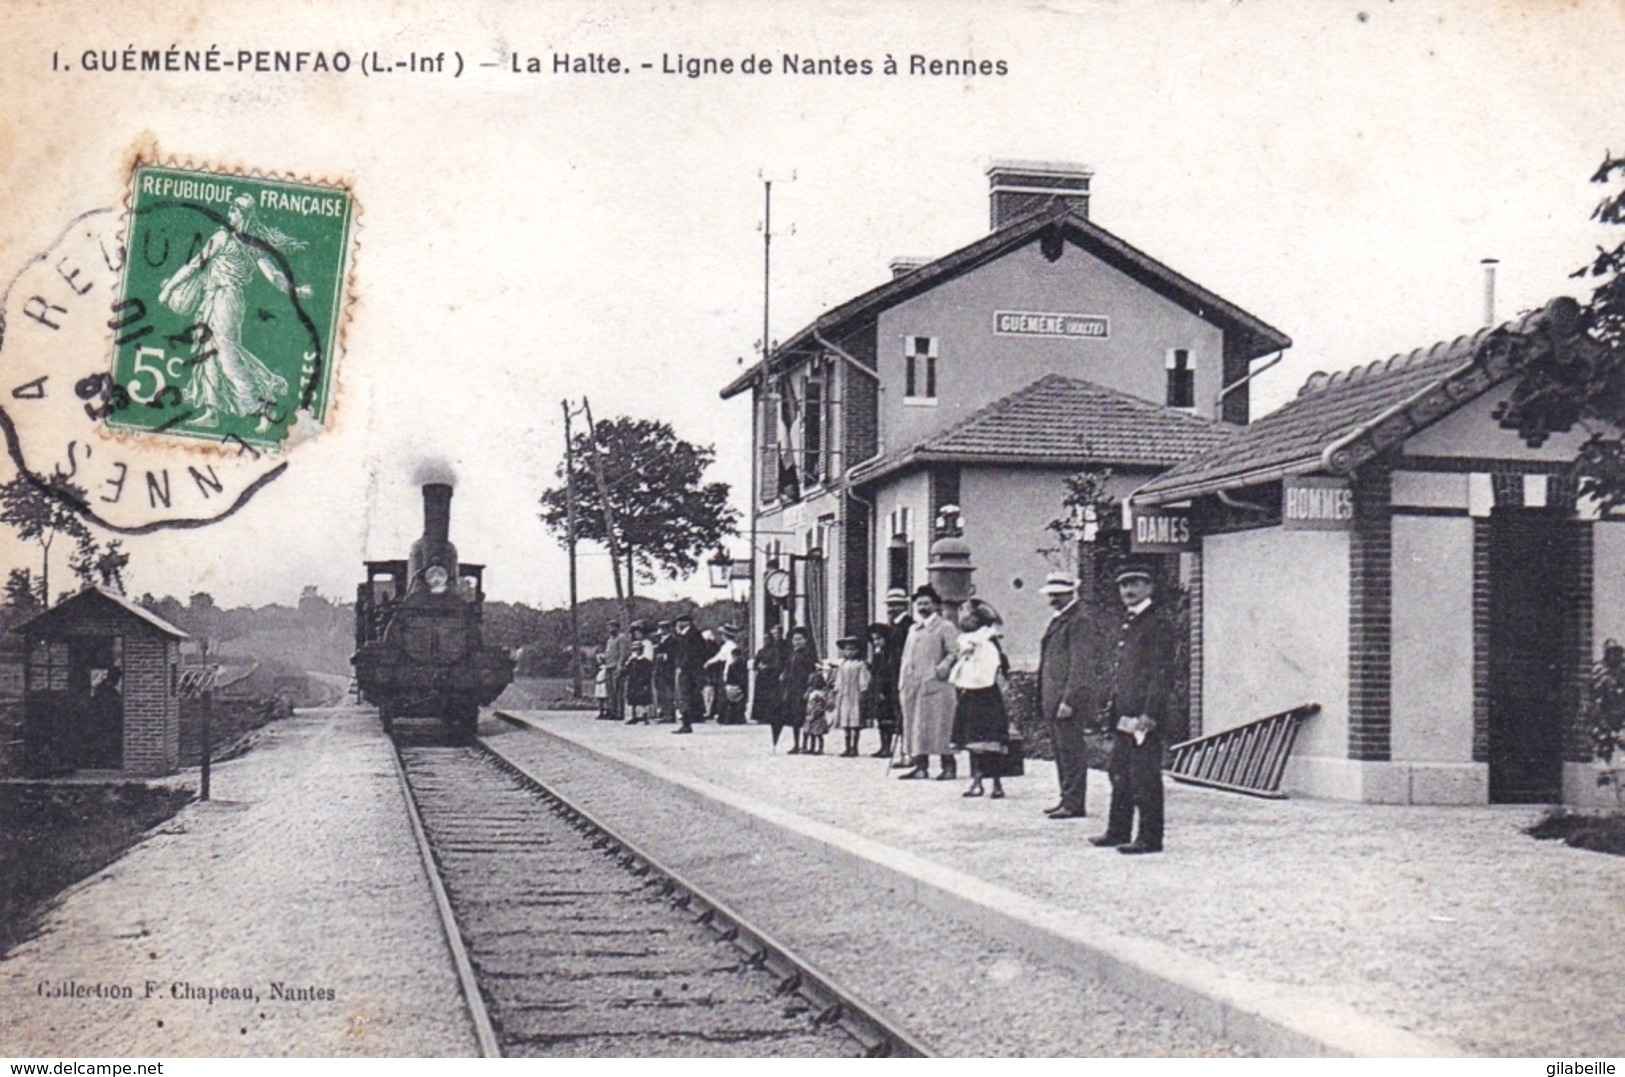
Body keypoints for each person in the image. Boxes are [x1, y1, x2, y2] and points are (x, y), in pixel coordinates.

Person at [157, 193, 305, 431]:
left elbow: (273, 276)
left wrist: (296, 290)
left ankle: (261, 405)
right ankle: (212, 411)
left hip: (226, 300)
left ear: (244, 216)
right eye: (230, 209)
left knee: (226, 355)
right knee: (208, 355)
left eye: (234, 210)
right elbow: (197, 264)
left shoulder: (237, 241)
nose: (230, 213)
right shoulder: (233, 239)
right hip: (214, 299)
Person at [1091, 560, 1176, 855]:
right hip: (1125, 714)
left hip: (1143, 715)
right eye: (1124, 585)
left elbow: (1160, 673)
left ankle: (1150, 838)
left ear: (1149, 587)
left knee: (1145, 776)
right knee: (1120, 772)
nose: (1128, 590)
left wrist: (1150, 713)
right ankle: (1118, 830)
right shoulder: (1129, 622)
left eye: (1135, 584)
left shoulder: (1156, 622)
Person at [1038, 572, 1092, 819]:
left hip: (1065, 700)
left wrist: (1069, 699)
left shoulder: (1079, 621)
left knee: (1071, 750)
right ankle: (1066, 797)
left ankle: (1074, 802)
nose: (1053, 598)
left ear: (1071, 593)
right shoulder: (1060, 619)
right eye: (1052, 594)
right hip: (1053, 697)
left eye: (1058, 594)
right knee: (1061, 750)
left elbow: (1081, 665)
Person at [896, 585, 960, 781]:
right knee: (916, 726)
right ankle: (920, 766)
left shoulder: (944, 627)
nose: (923, 607)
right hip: (913, 685)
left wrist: (945, 664)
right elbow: (907, 656)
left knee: (941, 726)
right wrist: (903, 681)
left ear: (935, 605)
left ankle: (948, 766)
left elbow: (954, 651)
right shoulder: (914, 629)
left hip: (936, 686)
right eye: (919, 603)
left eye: (927, 603)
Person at [950, 599, 1011, 799]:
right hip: (970, 693)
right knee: (972, 739)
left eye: (965, 612)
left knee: (991, 740)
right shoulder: (965, 641)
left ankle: (996, 782)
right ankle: (977, 780)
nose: (961, 617)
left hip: (987, 694)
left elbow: (997, 666)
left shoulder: (988, 640)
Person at [881, 588, 914, 765]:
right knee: (898, 714)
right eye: (889, 605)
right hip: (894, 676)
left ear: (904, 606)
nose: (891, 609)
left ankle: (909, 754)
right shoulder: (893, 626)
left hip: (904, 675)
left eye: (895, 605)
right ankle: (904, 752)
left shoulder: (908, 626)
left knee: (905, 715)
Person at [778, 625, 819, 753]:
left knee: (806, 718)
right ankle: (796, 744)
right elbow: (787, 670)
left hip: (803, 689)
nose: (797, 642)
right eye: (795, 639)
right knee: (795, 718)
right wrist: (783, 676)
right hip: (792, 689)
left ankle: (806, 744)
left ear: (805, 640)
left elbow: (813, 674)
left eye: (800, 639)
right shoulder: (791, 655)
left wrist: (809, 689)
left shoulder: (809, 655)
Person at [666, 613, 710, 735]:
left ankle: (686, 723)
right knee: (684, 696)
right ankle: (687, 721)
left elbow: (692, 654)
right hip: (688, 670)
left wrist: (682, 666)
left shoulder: (692, 635)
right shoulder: (687, 635)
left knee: (684, 695)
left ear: (685, 623)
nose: (677, 625)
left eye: (679, 623)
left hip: (688, 671)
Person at [829, 636, 871, 757]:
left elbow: (864, 679)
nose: (849, 652)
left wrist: (863, 691)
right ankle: (847, 746)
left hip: (855, 694)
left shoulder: (860, 664)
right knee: (845, 721)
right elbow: (839, 680)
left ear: (858, 650)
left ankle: (855, 747)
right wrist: (836, 691)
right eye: (847, 649)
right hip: (845, 695)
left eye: (852, 649)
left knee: (855, 721)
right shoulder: (842, 664)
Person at [864, 623, 899, 758]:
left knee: (888, 719)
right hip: (878, 689)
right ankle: (883, 746)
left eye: (879, 639)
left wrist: (885, 689)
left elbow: (889, 673)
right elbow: (875, 672)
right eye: (874, 640)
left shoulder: (891, 655)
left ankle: (888, 747)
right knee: (881, 718)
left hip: (889, 690)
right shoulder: (878, 655)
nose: (876, 642)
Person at [751, 624, 788, 728]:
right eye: (764, 639)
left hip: (770, 677)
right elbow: (755, 664)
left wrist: (767, 666)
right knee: (760, 697)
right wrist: (758, 666)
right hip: (761, 678)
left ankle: (768, 716)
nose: (766, 641)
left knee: (770, 698)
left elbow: (777, 663)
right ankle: (760, 716)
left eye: (767, 639)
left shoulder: (774, 650)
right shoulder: (761, 651)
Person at [623, 622, 655, 724]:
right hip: (634, 674)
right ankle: (634, 715)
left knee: (643, 694)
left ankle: (645, 715)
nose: (636, 635)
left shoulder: (647, 644)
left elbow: (649, 659)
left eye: (638, 632)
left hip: (642, 673)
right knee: (632, 694)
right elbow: (630, 659)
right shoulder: (635, 645)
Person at [603, 621, 630, 722]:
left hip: (616, 666)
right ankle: (612, 710)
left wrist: (620, 665)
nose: (610, 629)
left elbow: (623, 653)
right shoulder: (610, 640)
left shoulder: (621, 638)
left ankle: (619, 712)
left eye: (612, 627)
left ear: (617, 628)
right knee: (610, 690)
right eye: (609, 627)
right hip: (609, 666)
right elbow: (608, 652)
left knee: (618, 690)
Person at [651, 620, 676, 723]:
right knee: (661, 692)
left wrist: (663, 656)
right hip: (660, 669)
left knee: (668, 692)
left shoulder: (672, 641)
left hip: (668, 669)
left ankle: (669, 714)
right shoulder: (661, 641)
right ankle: (664, 712)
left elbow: (671, 655)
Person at [802, 669, 831, 755]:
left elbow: (818, 706)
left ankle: (818, 748)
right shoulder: (819, 693)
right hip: (812, 714)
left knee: (816, 734)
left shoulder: (817, 694)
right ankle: (813, 747)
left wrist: (814, 714)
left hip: (815, 716)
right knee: (813, 733)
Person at [592, 652, 610, 718]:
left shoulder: (605, 668)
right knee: (599, 699)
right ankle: (601, 712)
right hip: (598, 684)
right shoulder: (597, 668)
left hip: (603, 683)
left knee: (605, 698)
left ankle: (608, 711)